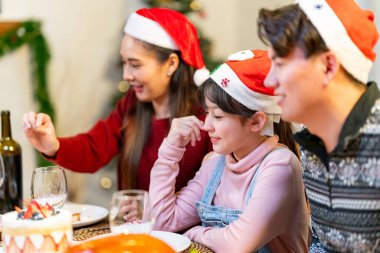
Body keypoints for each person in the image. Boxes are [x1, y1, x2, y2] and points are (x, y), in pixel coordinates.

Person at [23, 8, 212, 191]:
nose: (126, 75)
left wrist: (149, 209)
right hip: (131, 224)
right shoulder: (131, 105)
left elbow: (215, 197)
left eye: (135, 65)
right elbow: (93, 149)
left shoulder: (206, 120)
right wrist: (53, 145)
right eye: (124, 62)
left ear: (171, 63)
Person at [149, 50, 310, 252]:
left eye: (217, 116)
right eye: (207, 113)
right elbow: (163, 223)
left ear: (256, 121)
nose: (206, 125)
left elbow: (237, 244)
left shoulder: (280, 165)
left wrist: (192, 232)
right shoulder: (214, 163)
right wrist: (171, 149)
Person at [257, 0, 380, 252]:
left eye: (280, 65)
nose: (269, 81)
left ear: (328, 66)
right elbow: (322, 244)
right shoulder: (311, 145)